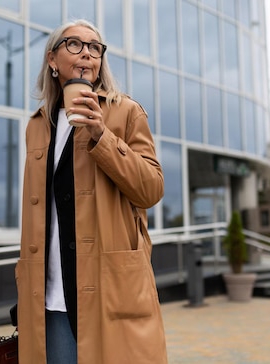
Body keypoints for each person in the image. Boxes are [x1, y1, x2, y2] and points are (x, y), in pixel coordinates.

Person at [15, 19, 168, 364]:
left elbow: (152, 189)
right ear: (52, 59)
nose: (87, 53)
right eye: (75, 44)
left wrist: (102, 135)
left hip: (111, 290)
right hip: (51, 296)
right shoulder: (38, 125)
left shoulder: (125, 112)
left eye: (95, 47)